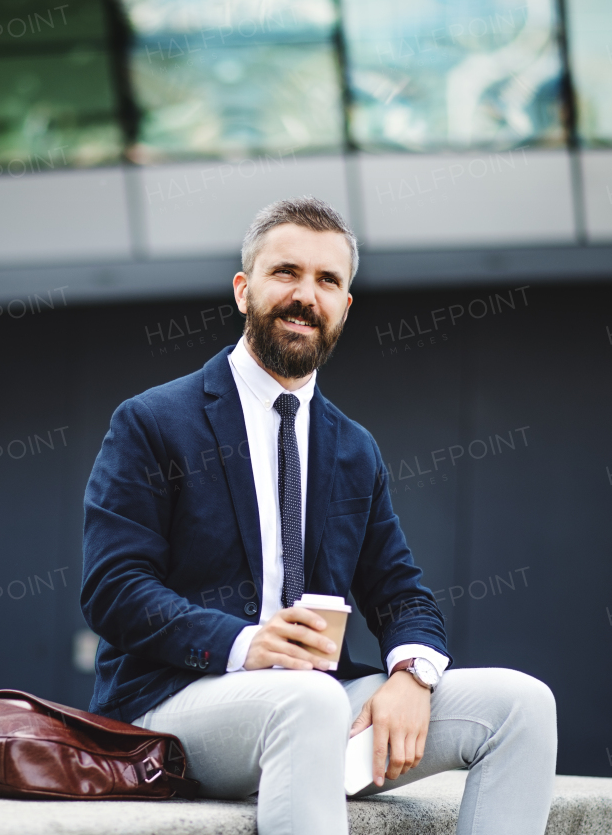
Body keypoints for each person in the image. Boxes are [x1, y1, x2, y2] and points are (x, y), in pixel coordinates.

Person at [80, 197, 556, 835]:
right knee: (309, 699)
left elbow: (400, 592)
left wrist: (412, 673)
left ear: (345, 307)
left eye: (328, 281)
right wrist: (245, 643)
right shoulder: (153, 422)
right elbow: (114, 589)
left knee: (522, 704)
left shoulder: (354, 448)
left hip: (317, 702)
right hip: (170, 706)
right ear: (243, 291)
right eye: (286, 273)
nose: (307, 295)